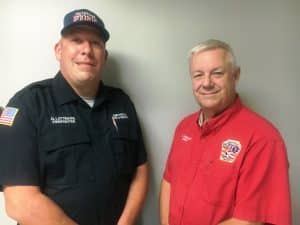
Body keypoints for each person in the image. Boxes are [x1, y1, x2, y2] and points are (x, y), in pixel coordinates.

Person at [0, 8, 148, 225]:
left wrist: (125, 222)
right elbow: (19, 201)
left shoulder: (121, 103)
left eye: (96, 42)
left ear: (104, 56)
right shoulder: (27, 105)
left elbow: (140, 169)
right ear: (59, 50)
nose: (87, 49)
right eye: (76, 40)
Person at [160, 39, 291, 225]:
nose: (206, 83)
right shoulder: (184, 127)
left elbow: (251, 221)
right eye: (198, 75)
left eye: (217, 73)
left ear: (235, 75)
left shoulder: (263, 138)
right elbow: (169, 182)